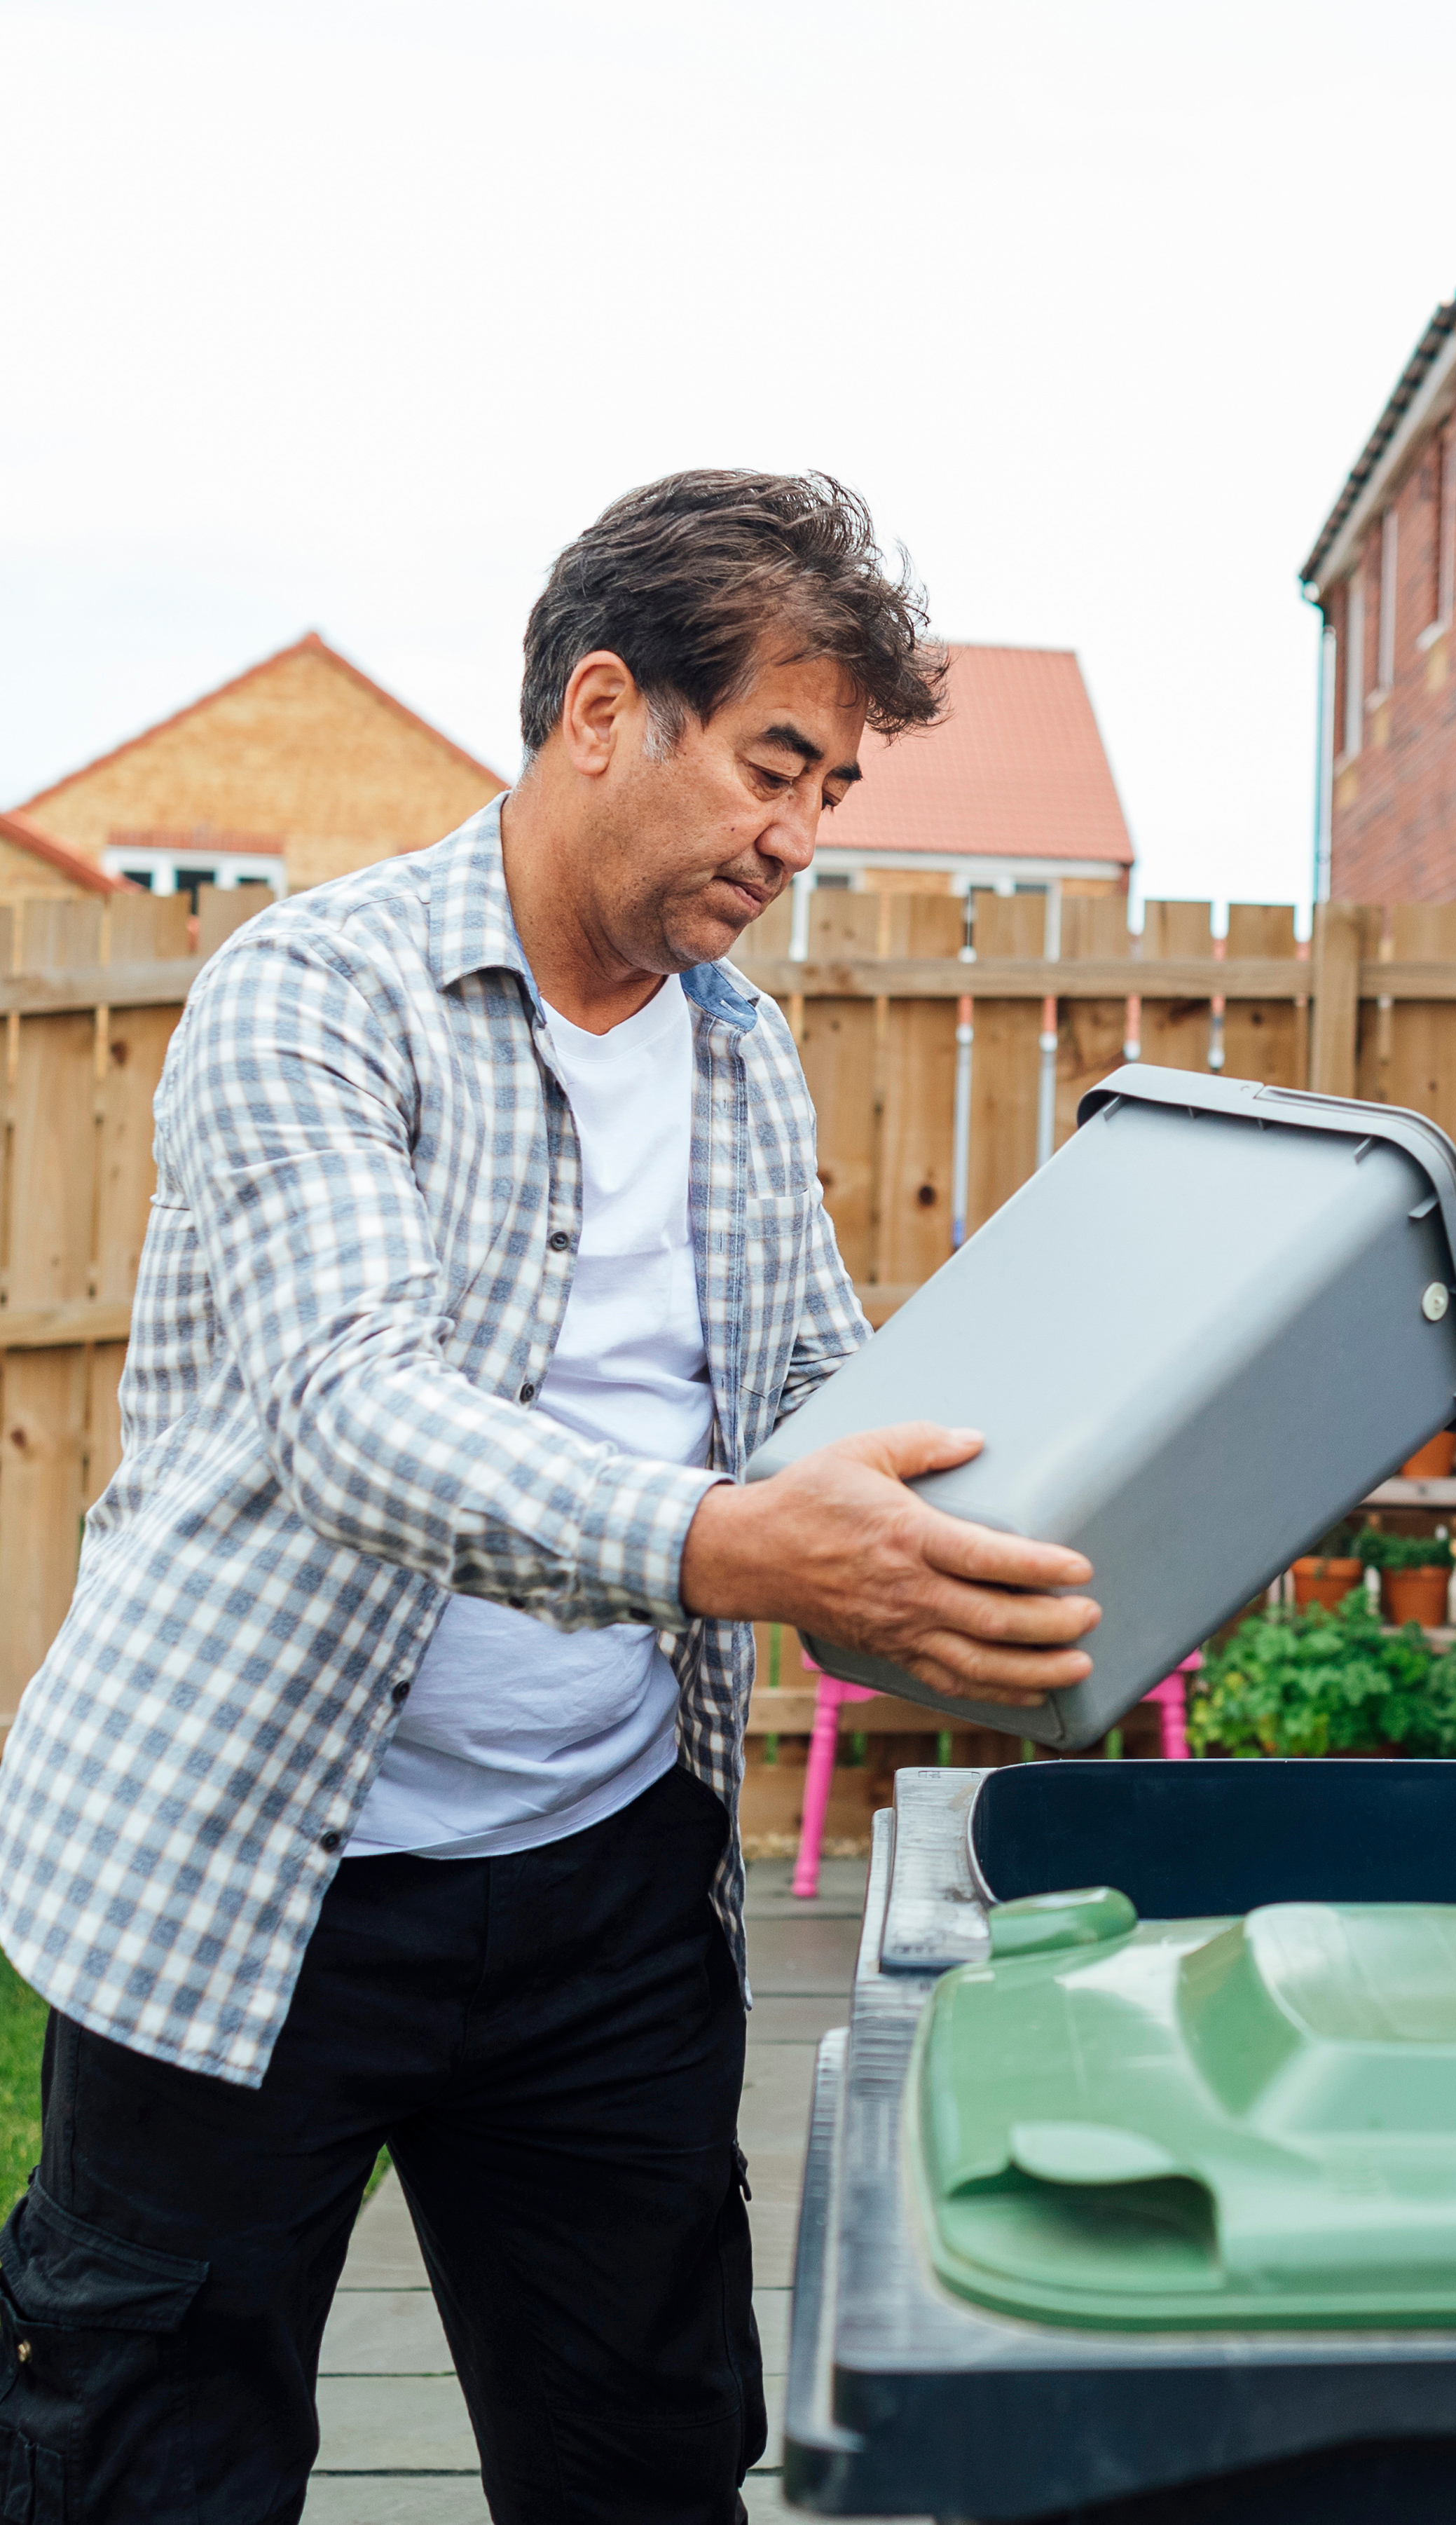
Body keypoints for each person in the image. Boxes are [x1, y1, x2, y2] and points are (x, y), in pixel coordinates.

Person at [0, 470, 1099, 2523]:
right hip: (250, 1882)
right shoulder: (313, 996)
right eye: (777, 762)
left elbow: (792, 1385)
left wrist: (997, 1505)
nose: (798, 834)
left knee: (645, 2465)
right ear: (606, 708)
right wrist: (723, 1542)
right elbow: (356, 1410)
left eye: (833, 787)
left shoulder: (733, 1052)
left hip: (603, 1884)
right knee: (154, 2462)